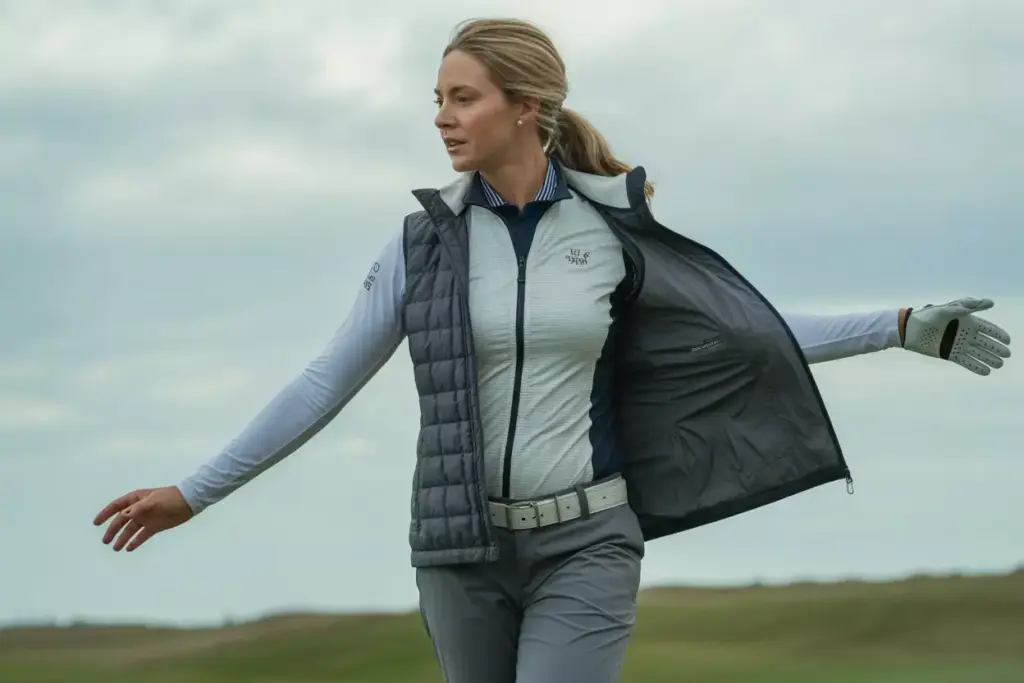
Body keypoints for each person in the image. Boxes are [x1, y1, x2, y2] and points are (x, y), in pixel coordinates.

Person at [93, 17, 1013, 683]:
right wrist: (194, 491)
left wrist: (900, 324)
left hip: (588, 541)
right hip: (459, 551)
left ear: (525, 106)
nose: (443, 117)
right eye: (438, 99)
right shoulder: (422, 244)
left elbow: (745, 329)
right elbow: (325, 381)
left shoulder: (613, 233)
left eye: (463, 97)